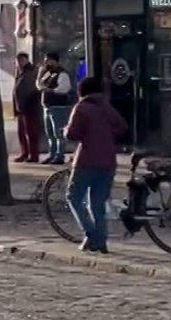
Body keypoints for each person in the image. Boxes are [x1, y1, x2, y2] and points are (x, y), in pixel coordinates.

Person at [62, 74, 130, 254]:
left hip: (86, 160)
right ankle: (101, 242)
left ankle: (92, 235)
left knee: (73, 197)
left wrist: (65, 131)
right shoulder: (106, 107)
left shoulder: (82, 108)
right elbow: (122, 126)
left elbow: (73, 134)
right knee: (97, 204)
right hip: (108, 161)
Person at [40, 52, 75, 165]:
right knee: (50, 133)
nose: (45, 62)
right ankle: (52, 153)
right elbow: (39, 84)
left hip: (58, 107)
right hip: (47, 107)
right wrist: (41, 74)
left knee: (58, 133)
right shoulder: (48, 73)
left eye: (48, 60)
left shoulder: (62, 74)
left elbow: (64, 88)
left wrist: (51, 90)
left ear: (54, 61)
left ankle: (59, 155)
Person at [12, 51, 43, 162]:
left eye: (20, 60)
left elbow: (32, 90)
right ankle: (24, 152)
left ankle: (33, 155)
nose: (18, 63)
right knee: (21, 132)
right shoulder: (20, 72)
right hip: (20, 107)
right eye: (17, 61)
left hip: (29, 106)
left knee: (31, 132)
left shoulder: (31, 71)